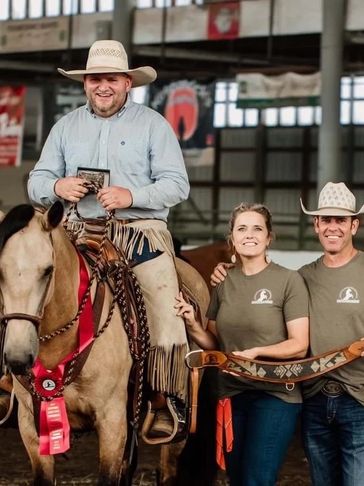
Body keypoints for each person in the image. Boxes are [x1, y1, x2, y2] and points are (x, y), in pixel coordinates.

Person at [27, 39, 190, 442]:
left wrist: (131, 195)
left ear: (127, 83)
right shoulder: (65, 127)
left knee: (165, 303)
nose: (103, 86)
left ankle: (163, 398)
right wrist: (56, 186)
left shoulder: (153, 124)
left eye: (112, 79)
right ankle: (9, 382)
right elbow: (36, 182)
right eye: (96, 78)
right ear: (85, 84)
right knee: (20, 285)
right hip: (73, 230)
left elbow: (177, 184)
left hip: (139, 231)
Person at [210, 182, 364, 486]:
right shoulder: (301, 276)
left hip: (359, 398)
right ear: (316, 225)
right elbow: (258, 279)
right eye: (326, 220)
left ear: (354, 225)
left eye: (341, 220)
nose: (333, 227)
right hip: (315, 396)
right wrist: (226, 269)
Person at [176, 202, 309, 486]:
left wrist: (258, 352)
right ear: (232, 238)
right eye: (242, 229)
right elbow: (214, 342)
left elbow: (299, 344)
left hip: (275, 395)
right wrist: (192, 324)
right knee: (237, 478)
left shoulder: (288, 280)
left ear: (269, 237)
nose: (250, 235)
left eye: (257, 228)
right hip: (232, 393)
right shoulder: (223, 283)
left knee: (256, 479)